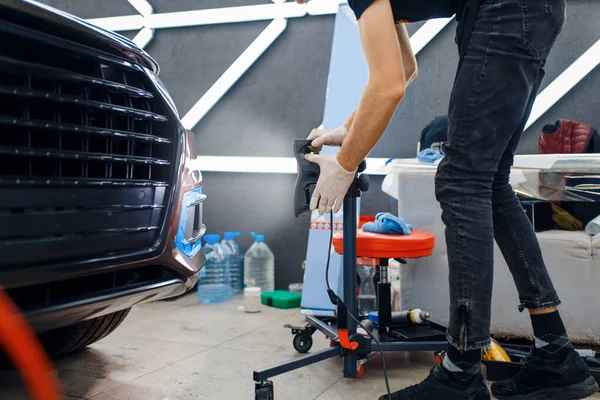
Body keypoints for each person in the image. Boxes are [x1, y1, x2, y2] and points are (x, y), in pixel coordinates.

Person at [295, 0, 600, 399]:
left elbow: (389, 86)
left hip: (508, 10)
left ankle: (461, 371)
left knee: (461, 180)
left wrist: (345, 164)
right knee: (487, 182)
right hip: (526, 11)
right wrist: (347, 132)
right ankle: (555, 353)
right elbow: (404, 70)